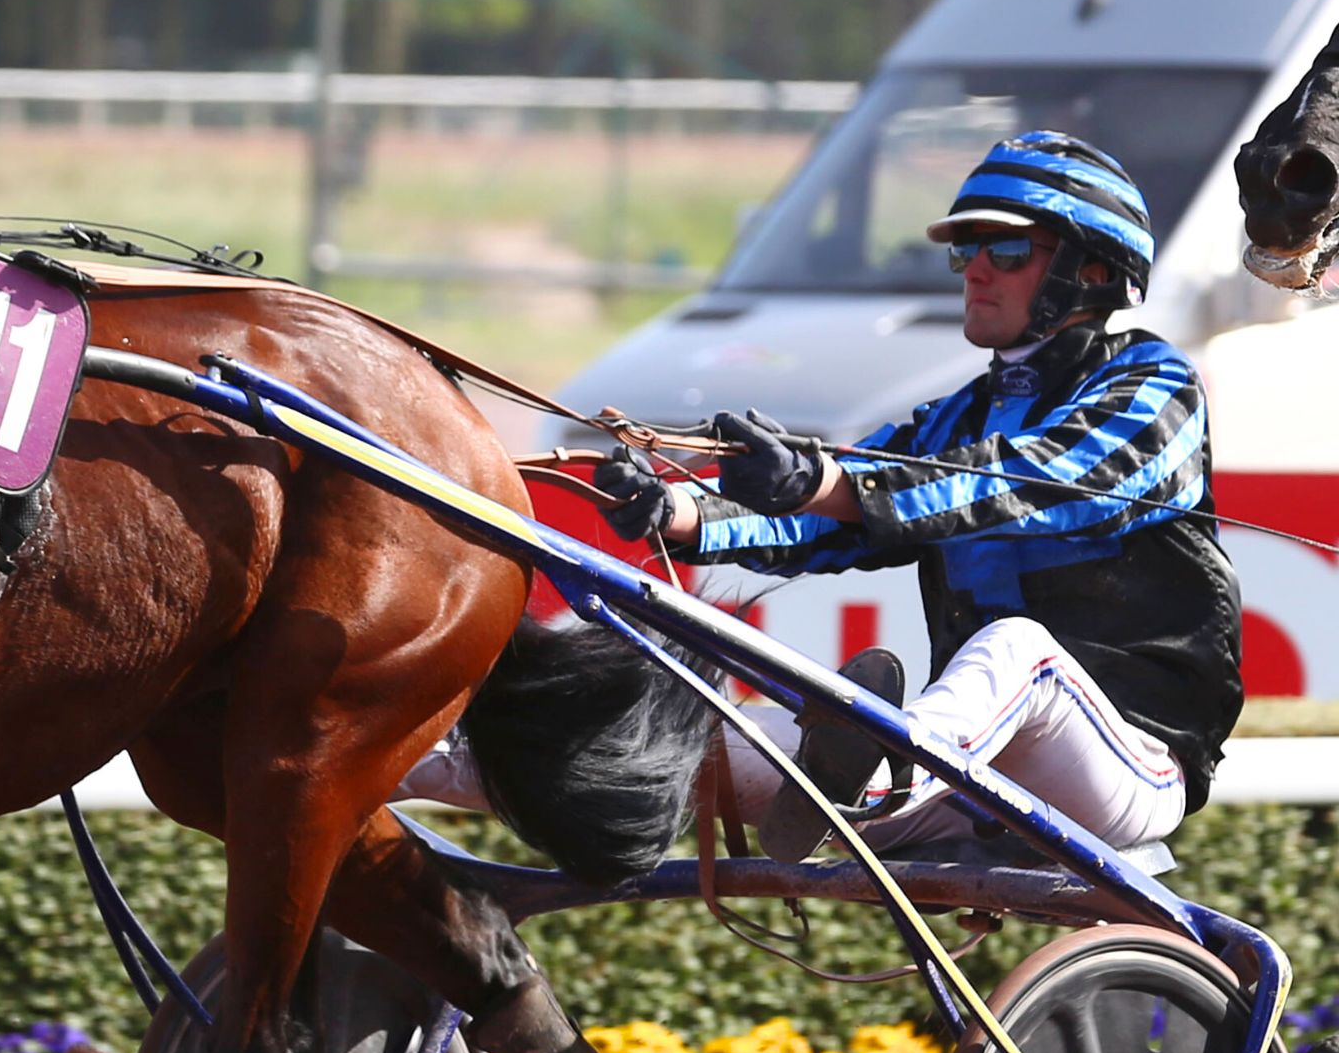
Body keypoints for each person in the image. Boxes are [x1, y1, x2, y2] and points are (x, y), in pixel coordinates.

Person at [404, 131, 1240, 873]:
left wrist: (823, 480)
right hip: (961, 776)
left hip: (1127, 768)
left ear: (1092, 270)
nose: (976, 269)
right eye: (966, 250)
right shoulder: (959, 414)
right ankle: (379, 755)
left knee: (1016, 647)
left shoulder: (1155, 385)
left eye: (1007, 248)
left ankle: (873, 774)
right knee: (656, 734)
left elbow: (1020, 486)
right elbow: (822, 520)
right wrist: (679, 513)